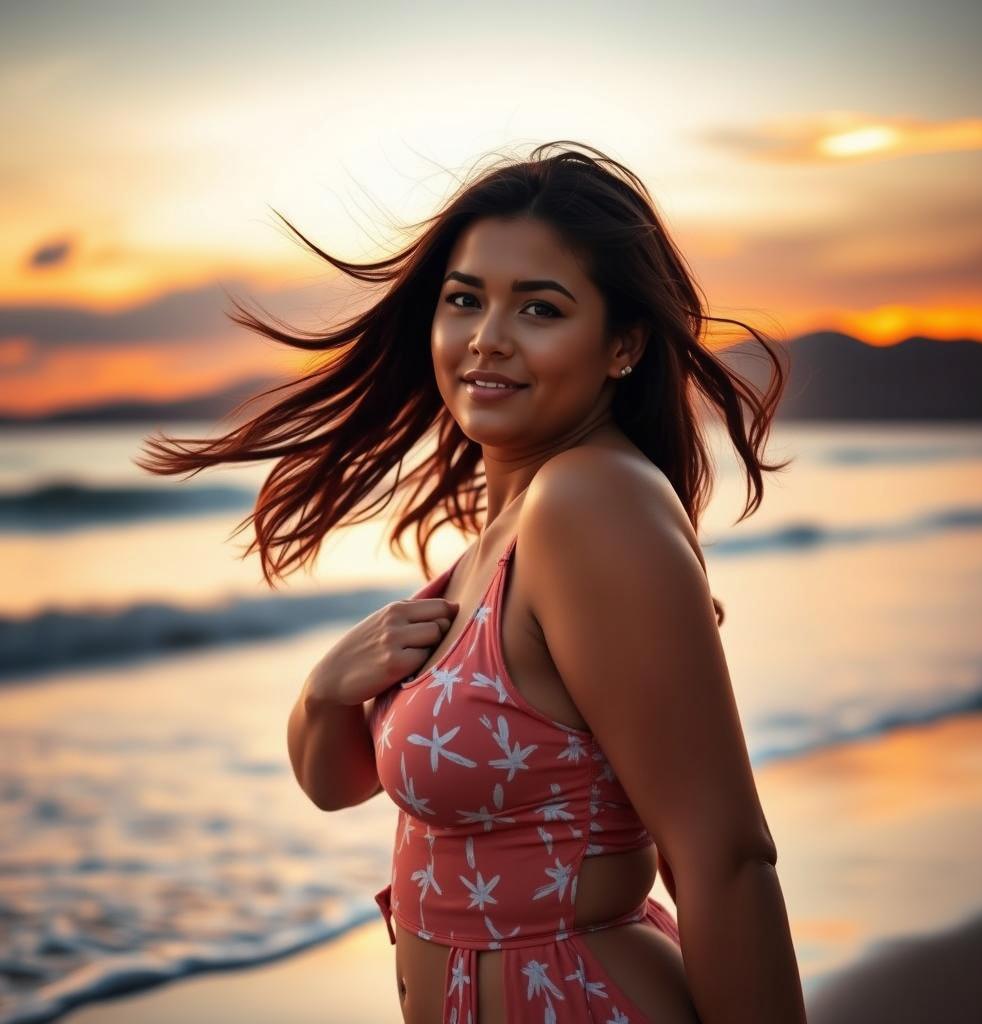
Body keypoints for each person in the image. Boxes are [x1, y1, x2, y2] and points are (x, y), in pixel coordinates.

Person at [137, 141, 806, 1022]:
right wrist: (326, 688)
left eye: (540, 308)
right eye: (465, 300)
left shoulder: (589, 502)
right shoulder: (500, 537)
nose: (488, 338)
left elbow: (723, 857)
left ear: (624, 345)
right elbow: (336, 782)